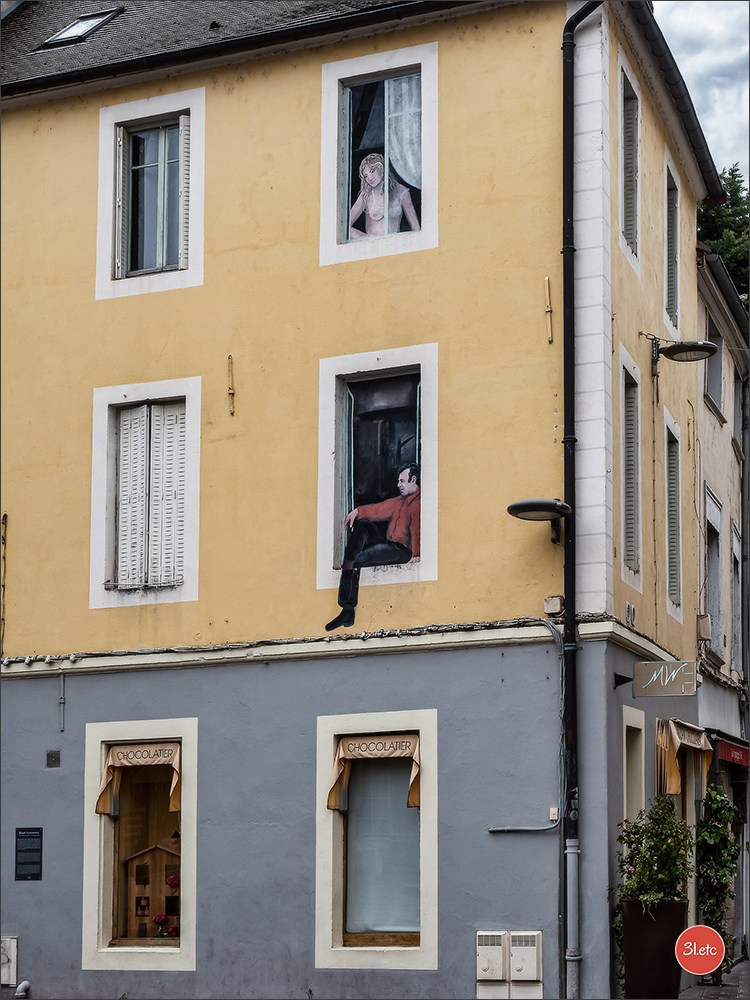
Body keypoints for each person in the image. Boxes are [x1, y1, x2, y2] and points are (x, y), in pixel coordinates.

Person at [325, 463, 421, 632]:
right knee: (364, 526)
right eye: (398, 481)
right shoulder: (399, 501)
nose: (398, 485)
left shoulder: (418, 503)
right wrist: (357, 512)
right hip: (389, 545)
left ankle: (349, 607)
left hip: (402, 551)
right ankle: (346, 609)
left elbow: (417, 530)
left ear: (413, 480)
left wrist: (417, 554)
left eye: (402, 481)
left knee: (361, 559)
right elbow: (379, 509)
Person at [349, 152, 421, 240]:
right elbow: (345, 227)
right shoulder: (366, 194)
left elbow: (416, 228)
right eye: (366, 176)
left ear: (381, 168)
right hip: (372, 248)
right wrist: (366, 240)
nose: (370, 178)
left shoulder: (402, 192)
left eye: (372, 171)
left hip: (393, 246)